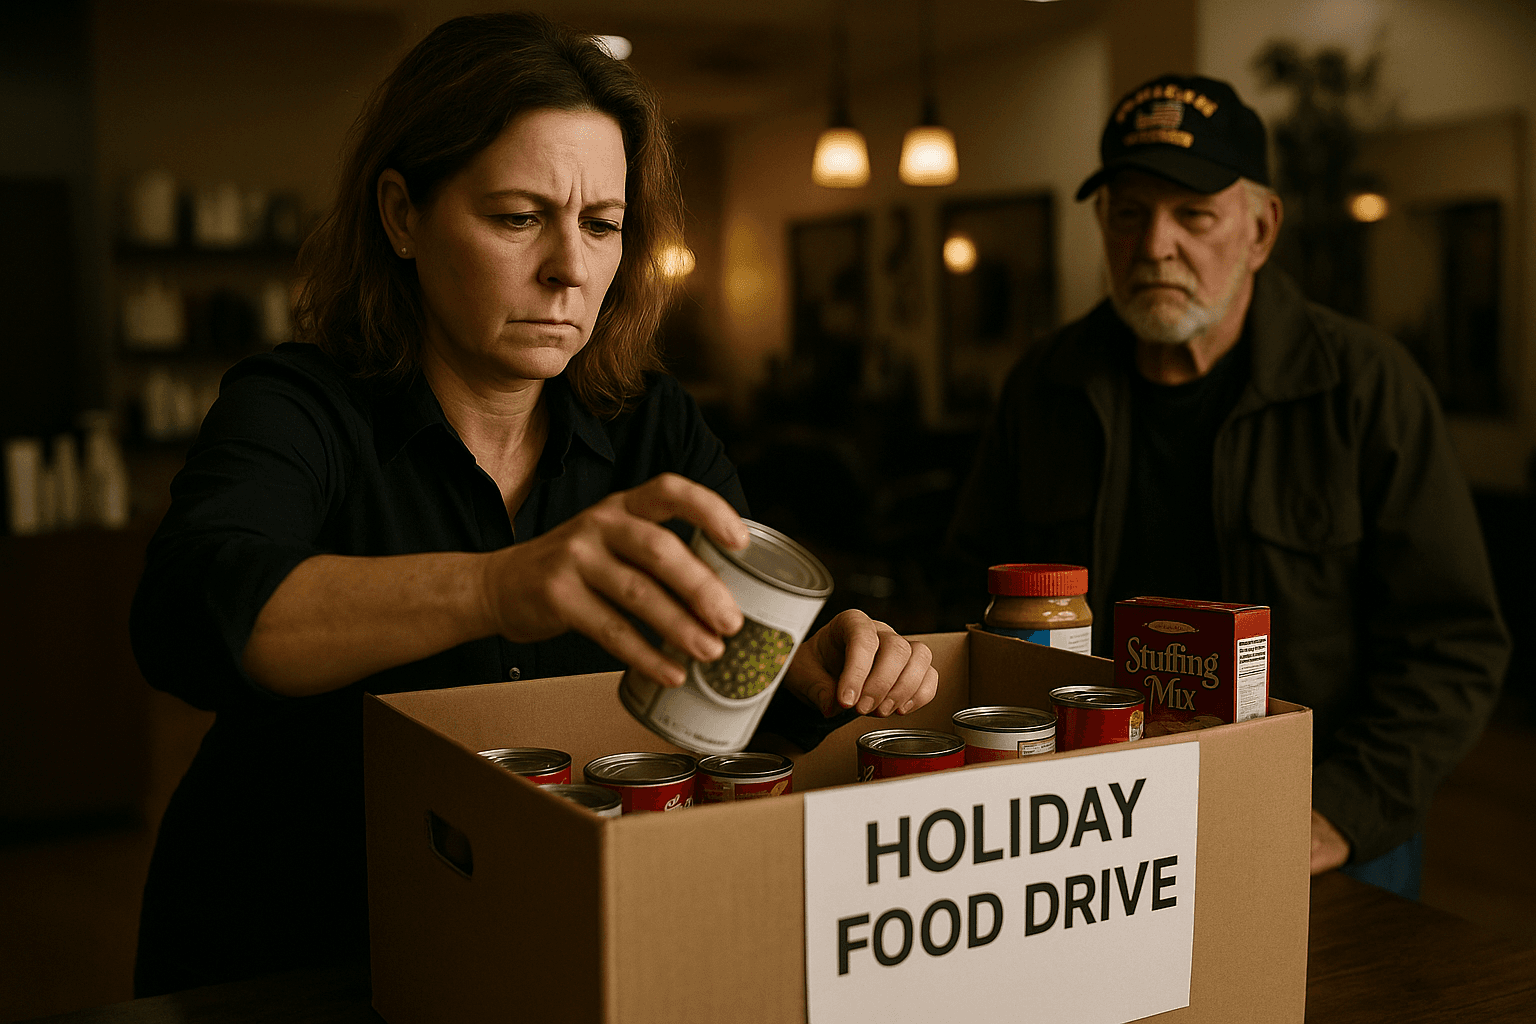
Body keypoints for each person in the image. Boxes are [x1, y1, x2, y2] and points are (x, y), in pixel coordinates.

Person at [129, 13, 938, 997]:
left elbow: (720, 677)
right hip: (297, 953)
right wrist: (496, 587)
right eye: (519, 218)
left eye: (601, 225)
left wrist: (806, 668)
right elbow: (189, 614)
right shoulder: (299, 406)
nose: (570, 268)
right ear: (401, 215)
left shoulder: (651, 426)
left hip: (547, 939)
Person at [946, 74, 1508, 899]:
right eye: (1128, 213)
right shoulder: (1044, 386)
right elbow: (968, 594)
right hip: (1095, 827)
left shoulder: (1365, 387)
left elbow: (1453, 643)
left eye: (1193, 215)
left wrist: (1343, 809)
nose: (1154, 245)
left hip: (1319, 825)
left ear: (1261, 228)